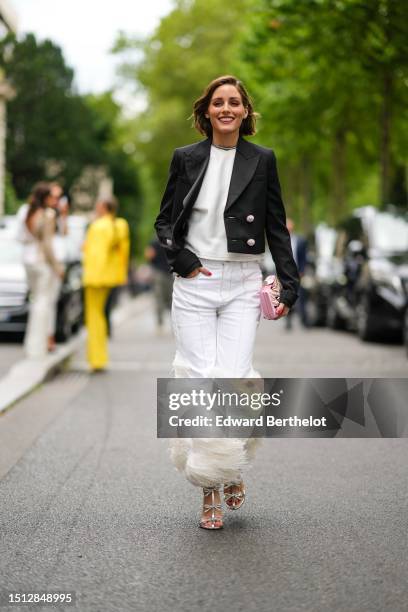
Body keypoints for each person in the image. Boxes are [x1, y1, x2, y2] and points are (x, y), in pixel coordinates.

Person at [155, 75, 300, 529]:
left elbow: (276, 225)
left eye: (234, 102)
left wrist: (290, 284)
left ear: (244, 112)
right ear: (206, 112)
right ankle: (211, 489)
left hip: (242, 280)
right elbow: (165, 221)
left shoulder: (262, 160)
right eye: (218, 102)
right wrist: (181, 259)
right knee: (200, 382)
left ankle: (229, 464)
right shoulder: (186, 158)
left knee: (234, 379)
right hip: (196, 283)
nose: (226, 108)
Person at [21, 182, 65, 359]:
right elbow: (47, 245)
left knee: (36, 301)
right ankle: (37, 346)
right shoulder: (48, 214)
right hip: (42, 263)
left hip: (28, 261)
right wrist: (57, 267)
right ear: (45, 197)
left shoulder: (28, 213)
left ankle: (31, 344)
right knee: (43, 304)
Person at [82, 196, 126, 372]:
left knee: (93, 317)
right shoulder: (120, 225)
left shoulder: (97, 226)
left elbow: (95, 255)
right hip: (110, 276)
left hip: (95, 277)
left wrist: (90, 277)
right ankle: (100, 358)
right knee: (101, 315)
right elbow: (123, 252)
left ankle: (96, 359)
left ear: (103, 208)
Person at [144, 237, 173, 331]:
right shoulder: (171, 241)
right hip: (170, 272)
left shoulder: (154, 242)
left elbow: (149, 255)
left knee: (159, 298)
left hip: (158, 273)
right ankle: (174, 322)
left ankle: (160, 323)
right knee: (171, 298)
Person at [285, 217, 309, 330]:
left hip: (299, 272)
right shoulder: (281, 241)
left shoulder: (300, 240)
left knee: (301, 296)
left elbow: (304, 258)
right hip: (286, 273)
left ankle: (304, 320)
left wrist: (302, 271)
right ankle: (288, 321)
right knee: (286, 296)